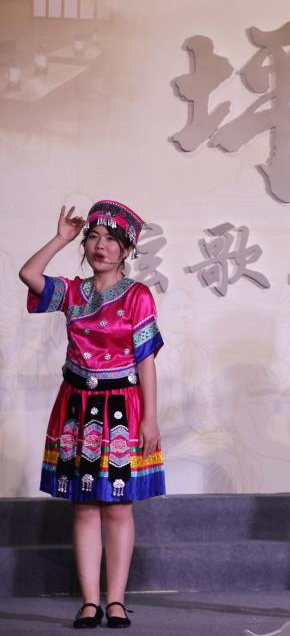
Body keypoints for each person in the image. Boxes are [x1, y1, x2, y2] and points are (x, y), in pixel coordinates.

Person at [19, 201, 165, 629]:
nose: (101, 246)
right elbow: (29, 274)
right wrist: (60, 238)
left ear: (127, 250)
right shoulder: (73, 292)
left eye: (111, 240)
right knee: (83, 506)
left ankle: (115, 600)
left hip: (121, 408)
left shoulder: (138, 296)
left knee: (117, 507)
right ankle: (88, 602)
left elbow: (146, 361)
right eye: (94, 238)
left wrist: (150, 418)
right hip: (77, 407)